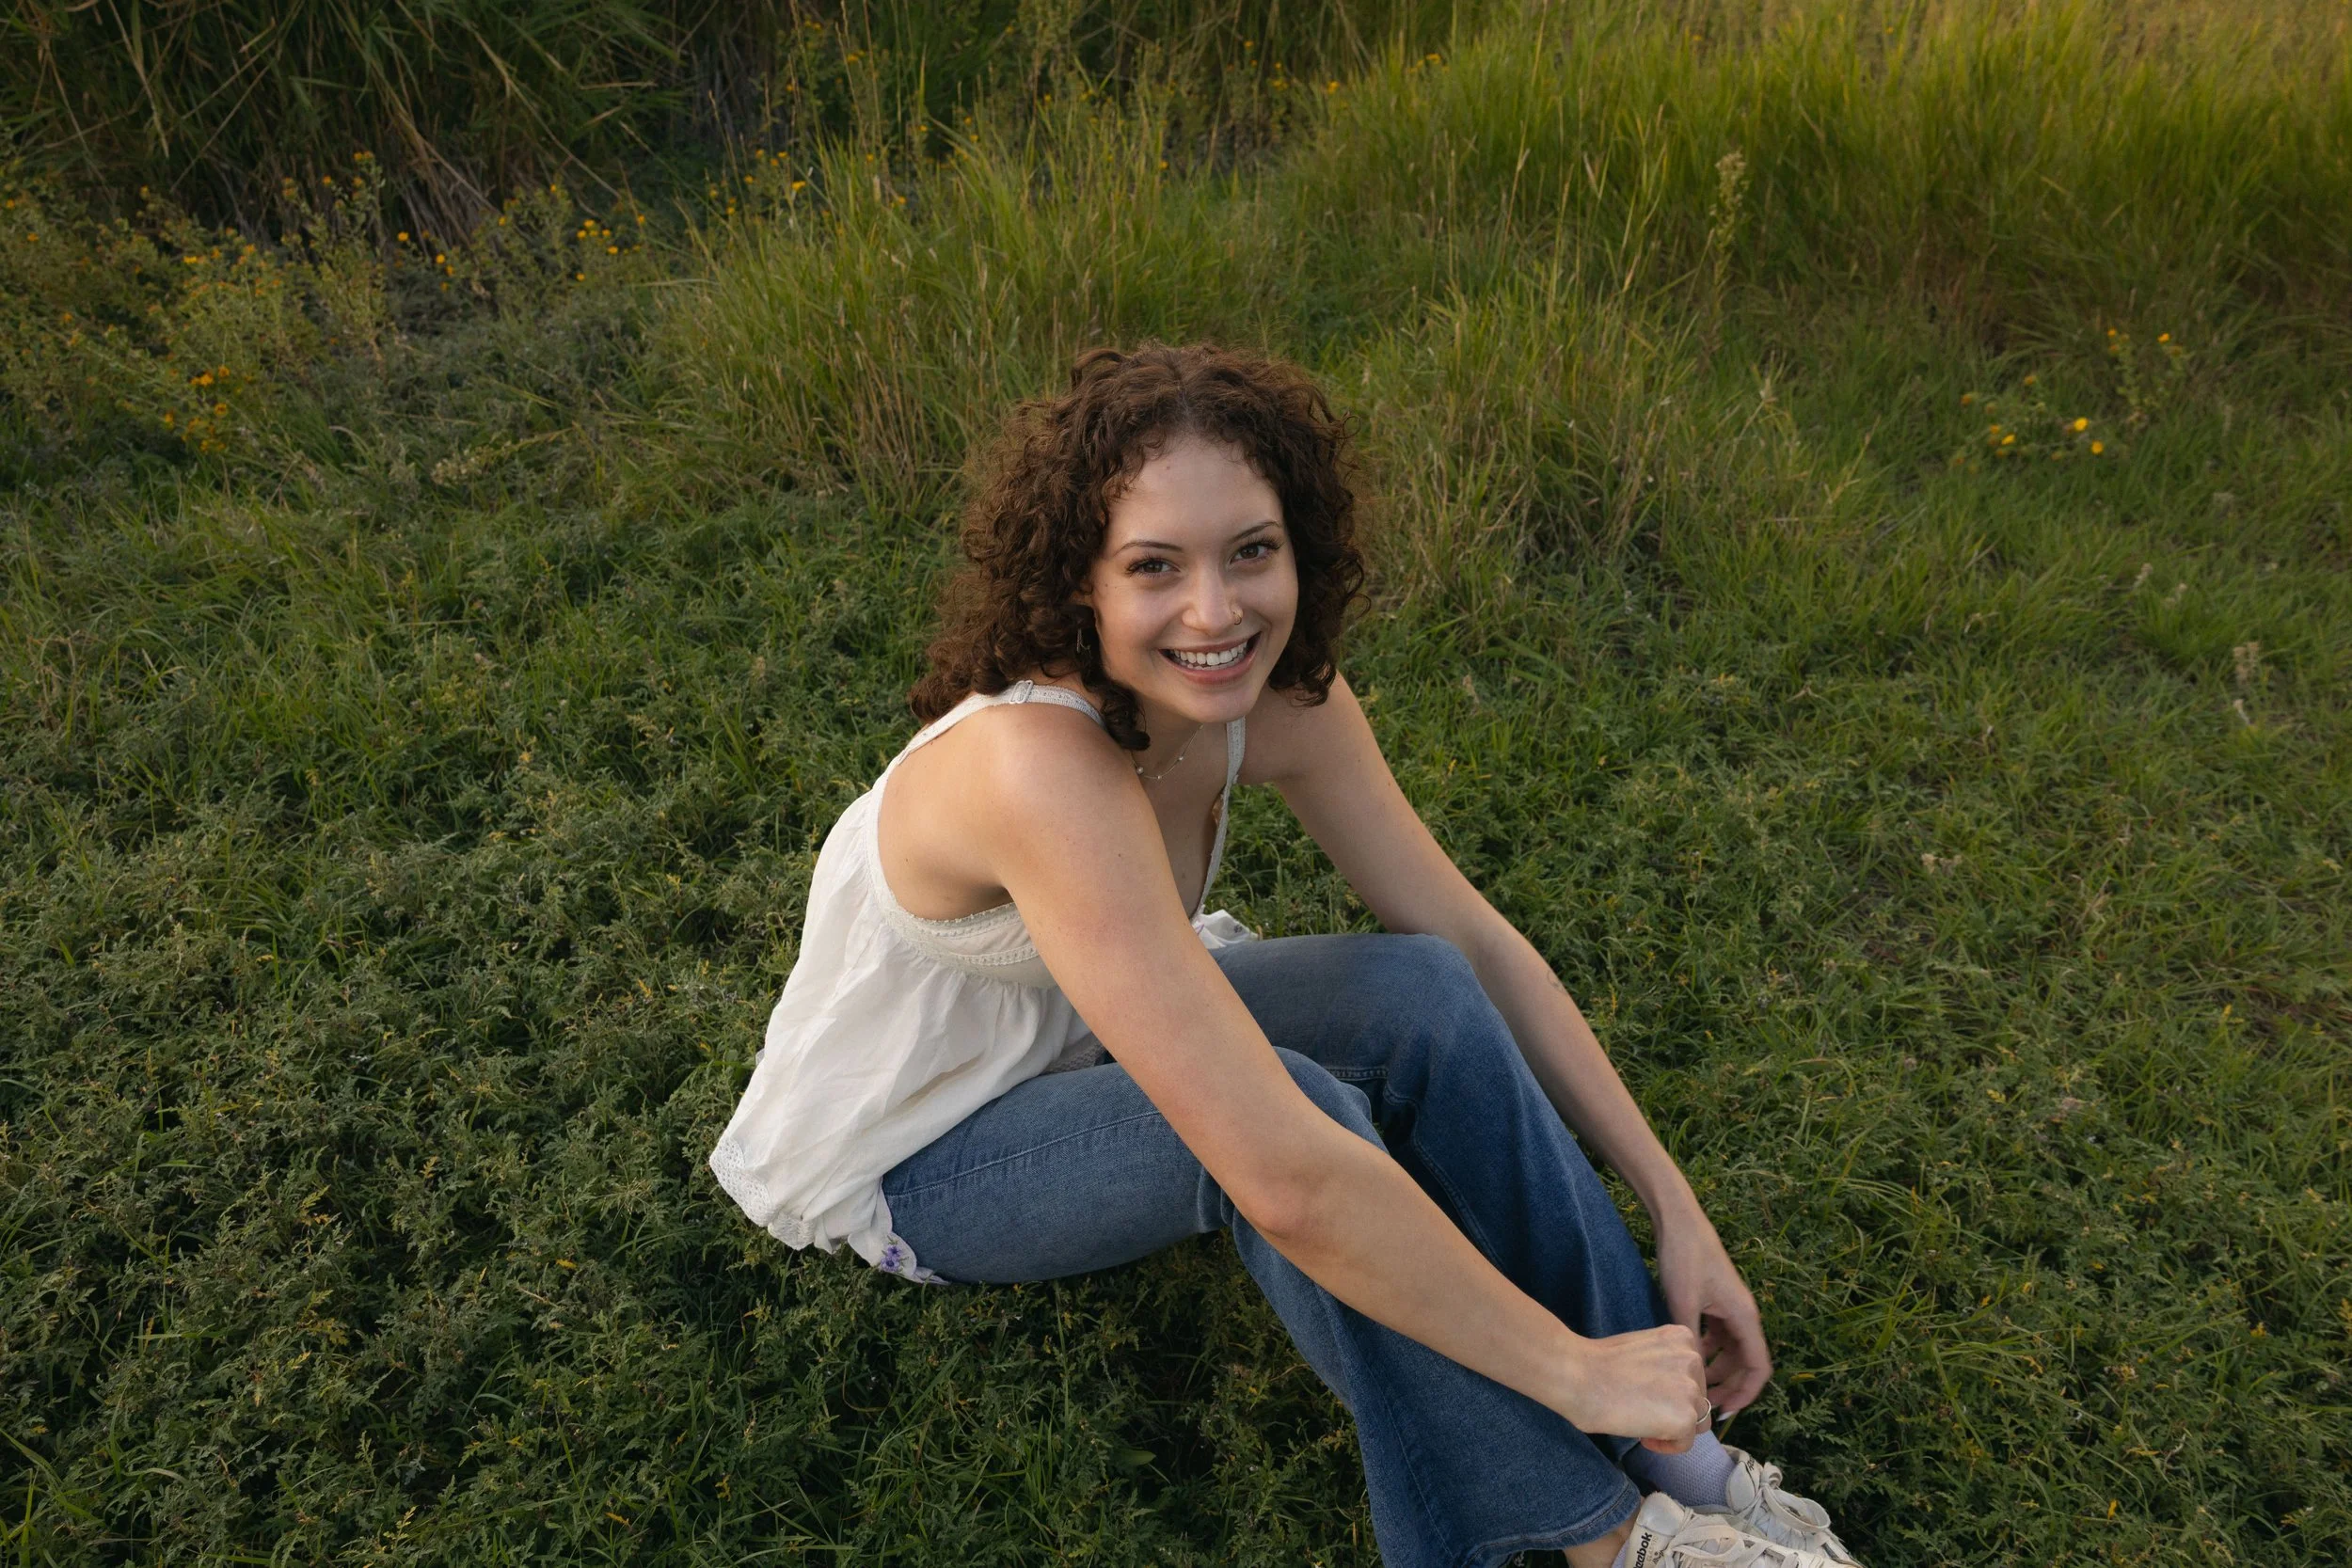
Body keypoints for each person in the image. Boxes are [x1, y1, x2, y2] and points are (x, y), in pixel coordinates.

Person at [711, 343, 1861, 1568]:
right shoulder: (1035, 768)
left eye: (1251, 551)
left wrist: (1675, 1208)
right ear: (1079, 581)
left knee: (1424, 987)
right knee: (1281, 1126)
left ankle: (1681, 1453)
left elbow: (1472, 936)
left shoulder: (1274, 694)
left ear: (1300, 546)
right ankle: (1610, 1538)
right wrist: (1567, 1371)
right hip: (926, 1144)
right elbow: (1287, 1184)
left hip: (1100, 1025)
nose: (1217, 612)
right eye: (1155, 566)